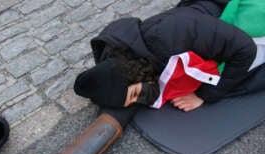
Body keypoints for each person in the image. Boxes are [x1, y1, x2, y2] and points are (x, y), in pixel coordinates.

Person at [74, 0, 265, 112]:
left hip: (241, 13)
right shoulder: (124, 56)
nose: (137, 100)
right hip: (207, 20)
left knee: (240, 80)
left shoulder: (171, 37)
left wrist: (204, 96)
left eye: (133, 95)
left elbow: (245, 50)